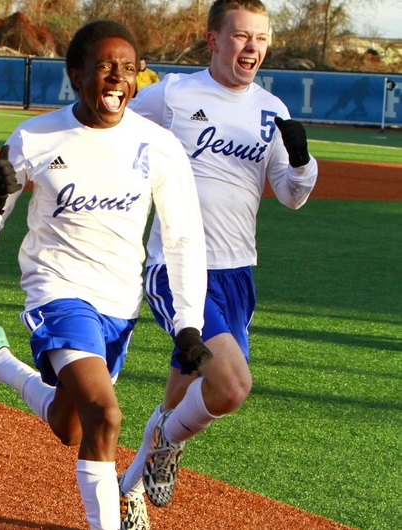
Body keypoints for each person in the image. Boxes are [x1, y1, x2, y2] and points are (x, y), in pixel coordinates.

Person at [0, 20, 211, 530]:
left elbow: (182, 238)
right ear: (76, 75)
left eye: (128, 68)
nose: (117, 78)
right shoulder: (36, 136)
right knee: (107, 416)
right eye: (104, 67)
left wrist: (188, 324)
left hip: (119, 303)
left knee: (69, 426)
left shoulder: (158, 146)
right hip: (57, 292)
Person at [118, 0, 319, 517]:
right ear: (213, 40)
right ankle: (166, 442)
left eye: (261, 38)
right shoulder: (173, 96)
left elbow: (292, 195)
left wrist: (301, 160)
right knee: (230, 385)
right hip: (180, 267)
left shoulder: (273, 109)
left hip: (237, 272)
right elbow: (113, 122)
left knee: (180, 396)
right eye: (240, 36)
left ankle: (132, 487)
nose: (252, 48)